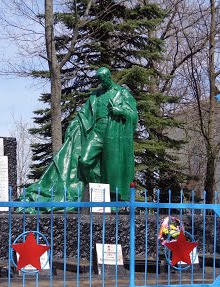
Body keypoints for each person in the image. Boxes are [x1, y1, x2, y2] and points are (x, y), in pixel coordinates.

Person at [23, 67, 137, 203]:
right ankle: (95, 191)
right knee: (84, 160)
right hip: (97, 132)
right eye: (99, 80)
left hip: (113, 133)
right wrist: (74, 123)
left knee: (111, 168)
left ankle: (111, 198)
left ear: (109, 77)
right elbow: (84, 113)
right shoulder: (96, 95)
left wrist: (120, 111)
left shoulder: (122, 93)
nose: (101, 83)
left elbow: (133, 115)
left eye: (103, 80)